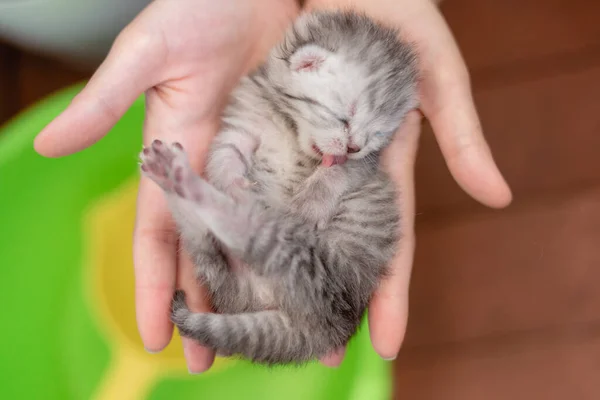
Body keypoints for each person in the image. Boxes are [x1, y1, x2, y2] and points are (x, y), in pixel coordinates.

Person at [34, 0, 512, 373]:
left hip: (303, 271)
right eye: (345, 120)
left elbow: (322, 197)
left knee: (212, 248)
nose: (351, 145)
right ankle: (201, 202)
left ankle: (194, 198)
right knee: (228, 245)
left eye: (376, 135)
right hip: (292, 285)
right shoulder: (267, 91)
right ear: (306, 66)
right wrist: (227, 174)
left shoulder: (347, 154)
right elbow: (233, 147)